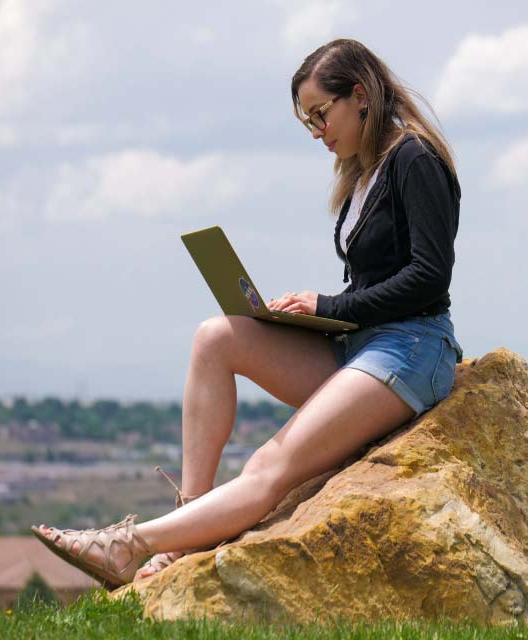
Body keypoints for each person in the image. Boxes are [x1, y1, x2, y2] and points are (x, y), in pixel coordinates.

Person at [31, 37, 465, 589]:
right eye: (307, 120)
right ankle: (192, 516)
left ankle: (127, 546)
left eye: (319, 114)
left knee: (267, 466)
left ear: (359, 94)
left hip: (412, 350)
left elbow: (430, 277)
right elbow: (379, 279)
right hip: (360, 346)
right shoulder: (363, 173)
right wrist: (307, 318)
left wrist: (329, 305)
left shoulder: (414, 159)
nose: (316, 131)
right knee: (217, 337)